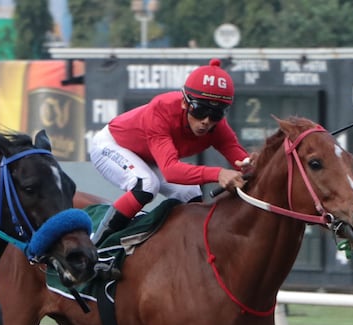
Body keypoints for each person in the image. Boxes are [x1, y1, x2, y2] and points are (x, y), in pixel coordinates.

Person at [87, 58, 254, 244]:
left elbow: (244, 163)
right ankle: (96, 246)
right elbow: (171, 171)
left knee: (190, 193)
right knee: (147, 185)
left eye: (216, 114)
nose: (206, 121)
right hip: (112, 145)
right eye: (199, 110)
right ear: (184, 103)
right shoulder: (162, 110)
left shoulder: (217, 127)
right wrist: (219, 174)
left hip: (150, 156)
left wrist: (253, 164)